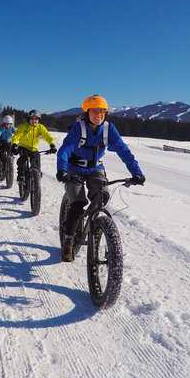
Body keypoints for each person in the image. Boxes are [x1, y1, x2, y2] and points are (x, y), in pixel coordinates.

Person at [56, 95, 145, 262]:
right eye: (95, 111)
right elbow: (65, 150)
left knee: (102, 196)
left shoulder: (108, 129)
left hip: (95, 168)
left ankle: (96, 225)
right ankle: (68, 240)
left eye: (102, 112)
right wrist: (62, 170)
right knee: (77, 202)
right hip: (74, 168)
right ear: (86, 113)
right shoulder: (78, 128)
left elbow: (123, 151)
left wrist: (136, 172)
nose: (99, 115)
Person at [10, 109, 56, 184]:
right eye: (32, 119)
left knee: (37, 159)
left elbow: (47, 136)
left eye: (36, 119)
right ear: (29, 119)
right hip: (23, 146)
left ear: (38, 120)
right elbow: (16, 136)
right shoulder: (23, 127)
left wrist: (52, 145)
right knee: (22, 160)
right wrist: (14, 145)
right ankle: (21, 175)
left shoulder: (40, 128)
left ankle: (37, 174)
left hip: (34, 148)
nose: (34, 121)